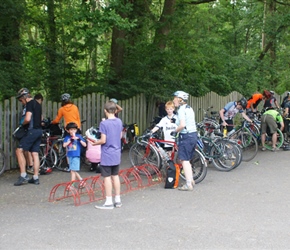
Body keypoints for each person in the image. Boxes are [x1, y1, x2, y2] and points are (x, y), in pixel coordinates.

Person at [89, 101, 123, 209]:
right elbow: (120, 136)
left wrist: (95, 142)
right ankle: (118, 200)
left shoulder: (104, 124)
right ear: (115, 110)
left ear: (105, 111)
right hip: (116, 152)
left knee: (107, 177)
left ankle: (108, 201)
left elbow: (103, 140)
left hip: (107, 154)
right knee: (116, 176)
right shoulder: (119, 121)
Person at [14, 88, 43, 186]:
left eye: (21, 100)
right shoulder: (38, 104)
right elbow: (41, 118)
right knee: (35, 153)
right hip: (39, 131)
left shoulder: (29, 104)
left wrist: (23, 125)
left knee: (19, 150)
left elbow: (27, 118)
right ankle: (35, 177)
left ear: (24, 97)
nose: (21, 102)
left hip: (32, 131)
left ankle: (23, 175)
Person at [171, 91, 197, 191]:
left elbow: (182, 125)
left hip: (186, 136)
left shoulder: (181, 109)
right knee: (188, 160)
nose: (174, 100)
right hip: (193, 135)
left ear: (180, 99)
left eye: (175, 98)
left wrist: (175, 131)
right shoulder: (189, 108)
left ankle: (188, 184)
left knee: (184, 160)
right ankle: (191, 180)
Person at [51, 93, 82, 172]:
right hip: (76, 128)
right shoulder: (75, 107)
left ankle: (69, 166)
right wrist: (79, 127)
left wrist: (52, 122)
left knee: (68, 146)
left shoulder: (62, 109)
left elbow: (57, 120)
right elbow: (78, 118)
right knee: (77, 144)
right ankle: (77, 163)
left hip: (68, 129)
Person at [63, 122, 87, 187]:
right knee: (72, 169)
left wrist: (79, 140)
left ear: (76, 130)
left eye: (74, 129)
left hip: (76, 155)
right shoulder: (67, 137)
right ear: (68, 130)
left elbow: (85, 145)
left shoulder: (79, 136)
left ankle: (72, 185)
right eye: (71, 130)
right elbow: (64, 145)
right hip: (69, 155)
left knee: (73, 171)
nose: (72, 131)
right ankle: (82, 181)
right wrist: (70, 141)